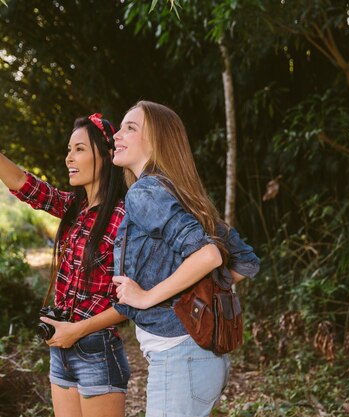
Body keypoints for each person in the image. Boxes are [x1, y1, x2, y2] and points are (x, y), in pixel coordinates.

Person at [0, 106, 131, 417]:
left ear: (106, 156)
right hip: (60, 349)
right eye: (69, 150)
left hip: (97, 351)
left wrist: (77, 330)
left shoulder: (124, 217)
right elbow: (22, 183)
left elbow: (129, 302)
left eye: (79, 149)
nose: (69, 158)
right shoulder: (73, 209)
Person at [109, 100, 260, 417]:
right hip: (199, 358)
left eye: (130, 128)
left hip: (180, 359)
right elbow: (246, 262)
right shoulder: (184, 194)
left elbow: (209, 256)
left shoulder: (145, 192)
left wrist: (147, 296)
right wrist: (196, 294)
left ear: (157, 140)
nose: (116, 135)